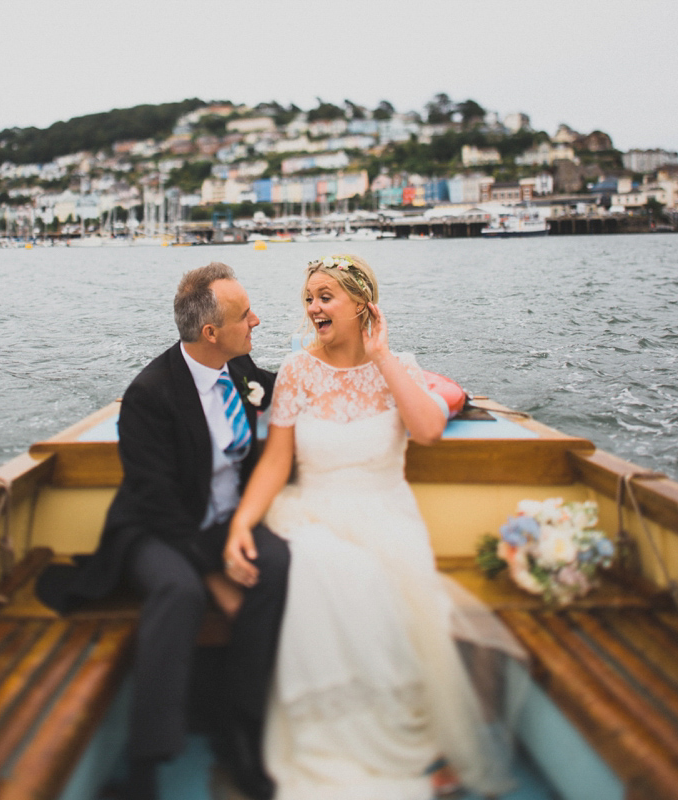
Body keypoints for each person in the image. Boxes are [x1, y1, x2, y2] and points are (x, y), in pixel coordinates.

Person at [223, 254, 521, 800]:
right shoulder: (296, 372)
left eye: (326, 296)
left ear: (362, 304)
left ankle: (408, 744)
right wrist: (243, 520)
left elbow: (429, 429)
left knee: (386, 581)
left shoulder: (396, 366)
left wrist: (383, 357)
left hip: (386, 510)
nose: (313, 307)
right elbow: (273, 462)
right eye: (309, 297)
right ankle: (328, 741)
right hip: (311, 510)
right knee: (325, 567)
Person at [35, 263, 288, 800]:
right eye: (247, 316)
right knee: (180, 589)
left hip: (225, 520)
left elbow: (284, 389)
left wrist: (363, 373)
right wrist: (217, 576)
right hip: (156, 529)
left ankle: (240, 730)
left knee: (280, 563)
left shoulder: (239, 367)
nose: (257, 321)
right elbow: (158, 504)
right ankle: (146, 765)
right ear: (210, 333)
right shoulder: (150, 395)